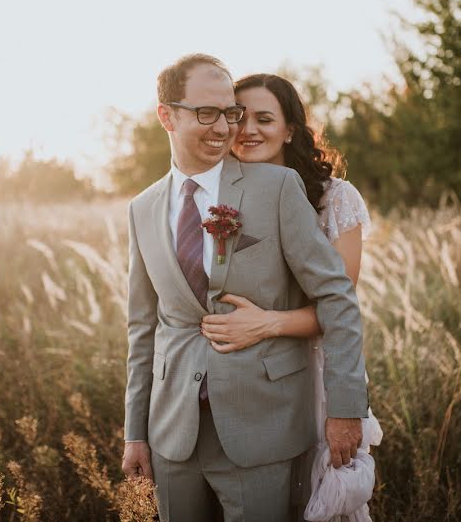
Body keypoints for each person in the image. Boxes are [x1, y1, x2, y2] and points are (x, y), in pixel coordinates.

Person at [121, 54, 368, 522]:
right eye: (206, 113)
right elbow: (142, 328)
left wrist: (346, 408)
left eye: (227, 112)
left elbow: (337, 295)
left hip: (262, 425)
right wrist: (136, 432)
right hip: (172, 431)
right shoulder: (142, 208)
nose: (223, 127)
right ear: (166, 115)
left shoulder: (275, 187)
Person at [200, 73, 381, 519]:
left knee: (315, 499)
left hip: (314, 371)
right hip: (242, 380)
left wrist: (267, 323)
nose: (249, 130)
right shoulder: (215, 197)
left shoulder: (334, 198)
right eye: (239, 117)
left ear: (290, 130)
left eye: (265, 118)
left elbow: (338, 305)